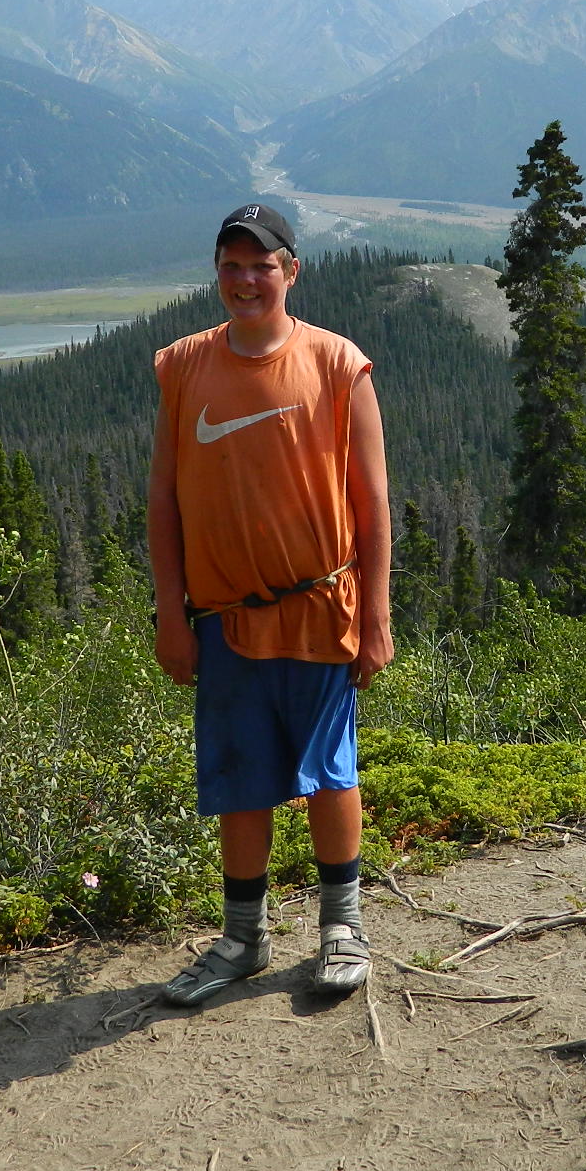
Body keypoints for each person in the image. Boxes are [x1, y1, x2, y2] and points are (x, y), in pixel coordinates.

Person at [148, 202, 394, 1004]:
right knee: (240, 778)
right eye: (232, 265)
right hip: (223, 618)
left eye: (262, 265)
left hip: (322, 607)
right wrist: (171, 614)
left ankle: (342, 928)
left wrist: (378, 619)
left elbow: (373, 504)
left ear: (292, 271)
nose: (246, 280)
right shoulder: (183, 366)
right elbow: (163, 501)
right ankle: (243, 937)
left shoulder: (337, 364)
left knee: (330, 772)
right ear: (216, 273)